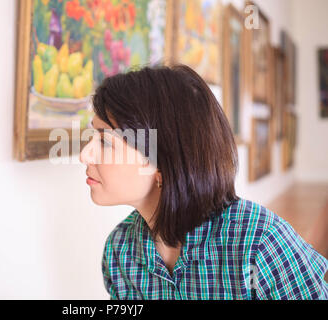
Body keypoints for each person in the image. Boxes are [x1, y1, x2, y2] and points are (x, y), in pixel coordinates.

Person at [79, 64, 328, 299]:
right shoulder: (119, 251)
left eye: (105, 142)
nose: (84, 155)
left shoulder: (261, 243)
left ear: (162, 162)